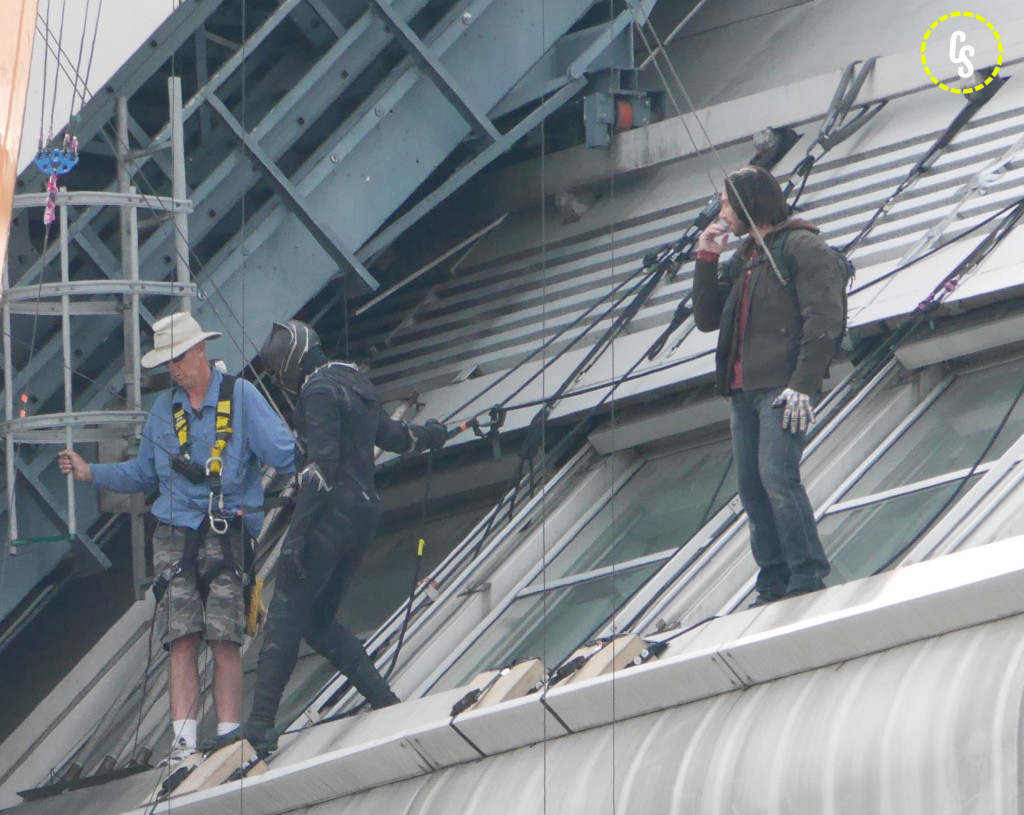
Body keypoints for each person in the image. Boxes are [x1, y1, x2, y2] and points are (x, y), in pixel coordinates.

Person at [58, 311, 295, 768]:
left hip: (225, 529)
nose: (173, 368)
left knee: (225, 636)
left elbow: (283, 453)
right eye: (166, 361)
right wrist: (92, 473)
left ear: (201, 349)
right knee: (180, 635)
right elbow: (144, 474)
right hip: (173, 533)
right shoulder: (162, 410)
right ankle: (184, 743)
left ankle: (229, 736)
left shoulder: (241, 396)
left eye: (178, 357)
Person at [212, 320, 447, 756]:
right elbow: (398, 438)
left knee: (285, 616)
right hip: (364, 516)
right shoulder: (355, 380)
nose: (284, 383)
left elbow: (318, 472)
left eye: (281, 375)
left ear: (290, 366)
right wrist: (432, 435)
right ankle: (384, 701)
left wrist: (296, 539)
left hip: (330, 517)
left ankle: (260, 726)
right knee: (318, 621)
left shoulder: (316, 393)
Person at [692, 165, 844, 607]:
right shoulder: (745, 257)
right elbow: (707, 319)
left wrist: (804, 383)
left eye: (726, 203)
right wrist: (706, 258)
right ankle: (773, 579)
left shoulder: (801, 246)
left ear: (747, 204)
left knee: (778, 478)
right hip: (744, 391)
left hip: (782, 386)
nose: (722, 212)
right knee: (753, 489)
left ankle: (806, 572)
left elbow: (824, 318)